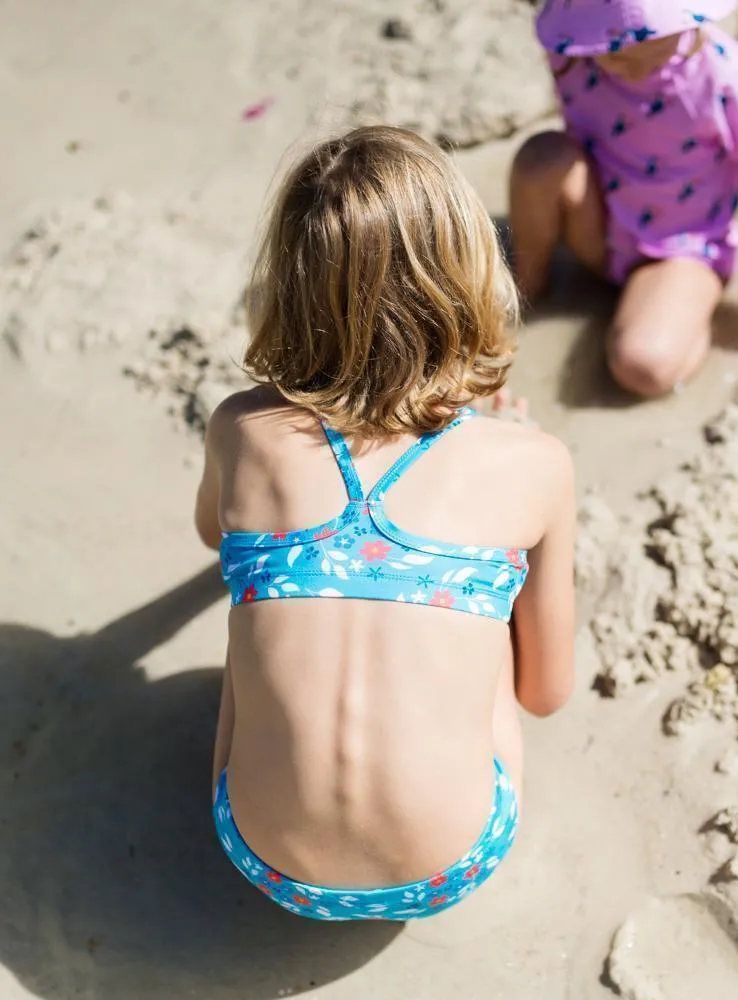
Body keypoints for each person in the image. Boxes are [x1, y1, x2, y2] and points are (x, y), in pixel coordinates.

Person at [194, 125, 576, 920]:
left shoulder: (239, 429)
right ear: (470, 273)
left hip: (262, 856)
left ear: (289, 284)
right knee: (485, 613)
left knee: (255, 608)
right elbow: (545, 693)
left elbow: (212, 535)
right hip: (451, 863)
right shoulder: (533, 462)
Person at [510, 0, 738, 398]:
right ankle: (525, 287)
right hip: (598, 225)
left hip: (680, 250)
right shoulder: (576, 54)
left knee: (643, 367)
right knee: (542, 159)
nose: (618, 61)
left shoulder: (728, 78)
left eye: (642, 46)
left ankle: (691, 315)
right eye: (609, 47)